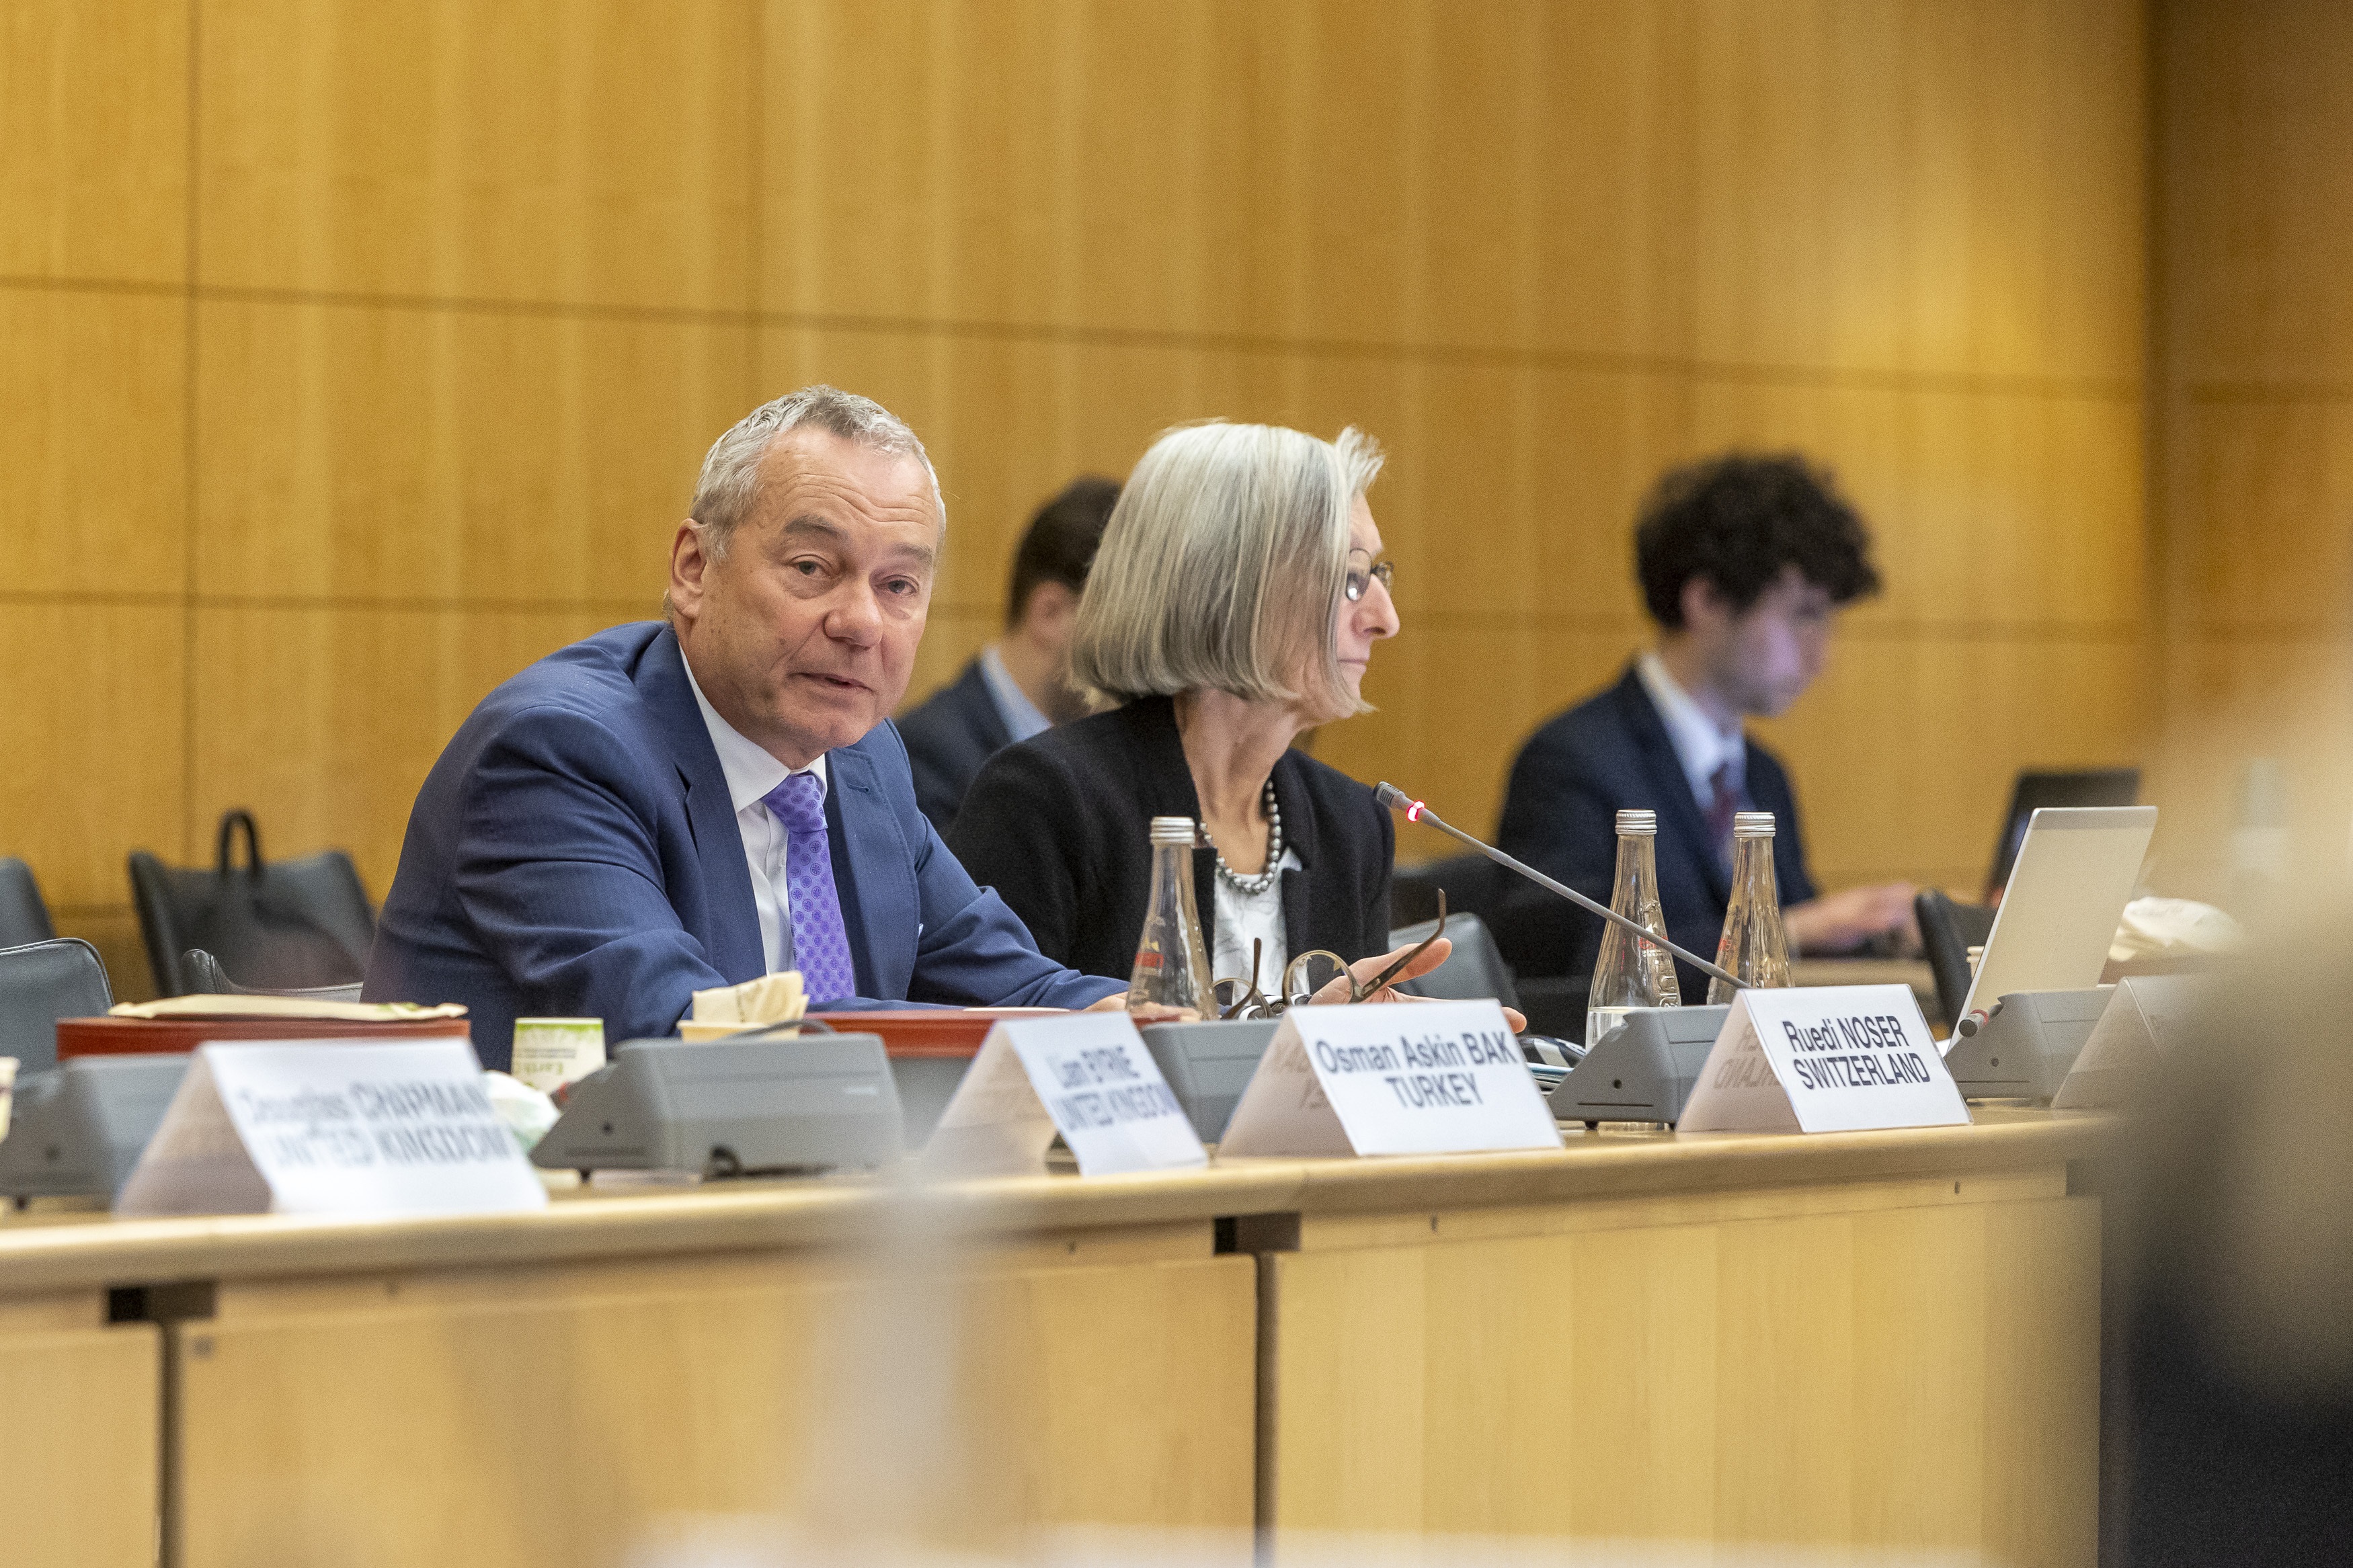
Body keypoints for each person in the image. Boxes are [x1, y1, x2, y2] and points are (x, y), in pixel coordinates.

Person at [364, 386, 1127, 1069]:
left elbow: (1013, 980)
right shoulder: (556, 755)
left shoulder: (863, 756)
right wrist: (1018, 1039)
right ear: (694, 568)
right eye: (811, 568)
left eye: (898, 585)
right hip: (529, 1215)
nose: (860, 622)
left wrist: (1135, 1020)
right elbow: (682, 1031)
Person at [950, 421, 1448, 1007]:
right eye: (1351, 578)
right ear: (1225, 587)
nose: (1385, 619)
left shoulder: (1350, 824)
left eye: (1375, 576)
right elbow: (984, 1056)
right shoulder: (1048, 800)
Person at [1494, 452, 1915, 999]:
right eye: (1802, 614)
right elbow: (1571, 960)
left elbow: (1801, 960)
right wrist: (1789, 932)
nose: (1820, 656)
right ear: (1707, 600)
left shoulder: (1764, 774)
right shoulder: (1570, 761)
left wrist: (1883, 929)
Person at [897, 477, 1119, 836]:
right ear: (1049, 614)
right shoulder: (927, 756)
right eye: (1123, 628)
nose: (1138, 658)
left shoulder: (1110, 756)